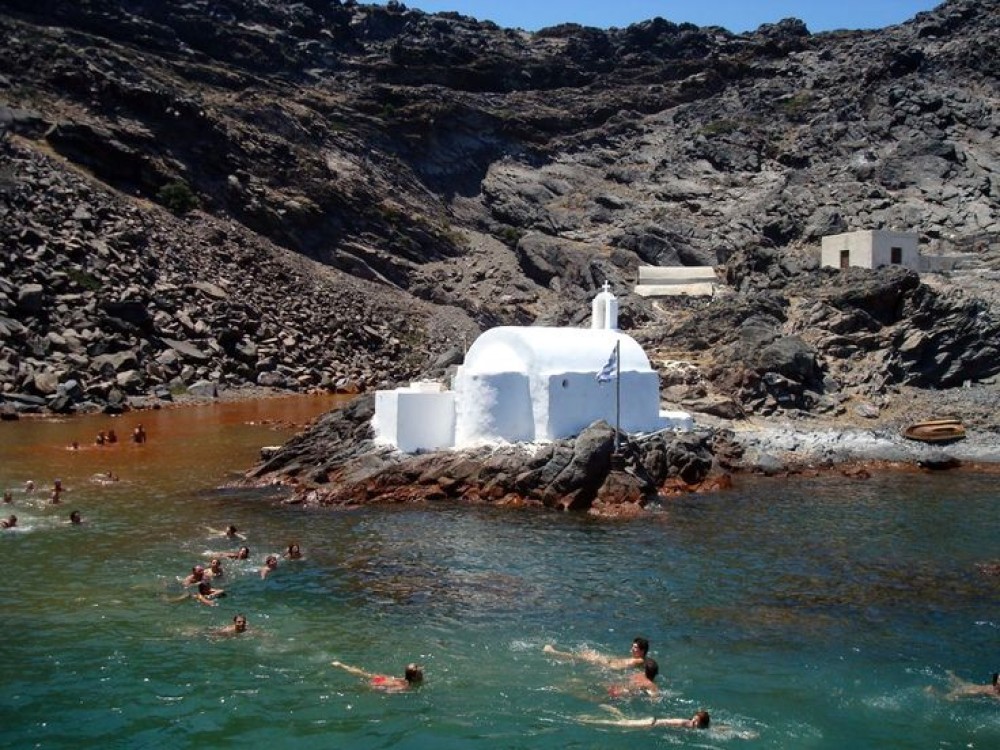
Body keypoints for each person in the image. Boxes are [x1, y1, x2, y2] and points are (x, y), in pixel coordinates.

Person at [544, 636, 650, 669]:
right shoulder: (639, 660)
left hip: (608, 665)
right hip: (609, 663)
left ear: (642, 650)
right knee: (582, 655)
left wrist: (605, 662)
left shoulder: (639, 660)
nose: (632, 648)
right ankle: (555, 653)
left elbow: (621, 666)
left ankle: (553, 652)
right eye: (632, 646)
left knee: (579, 657)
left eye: (635, 647)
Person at [330, 660, 423, 692]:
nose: (422, 675)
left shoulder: (403, 679)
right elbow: (390, 691)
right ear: (414, 678)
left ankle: (341, 665)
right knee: (360, 689)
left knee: (364, 674)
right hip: (379, 684)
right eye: (420, 674)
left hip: (382, 678)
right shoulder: (405, 687)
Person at [579, 709, 711, 729]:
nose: (694, 721)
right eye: (695, 719)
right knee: (619, 723)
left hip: (652, 721)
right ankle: (589, 721)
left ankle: (611, 708)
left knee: (624, 720)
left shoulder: (690, 723)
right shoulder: (689, 724)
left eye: (697, 720)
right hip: (651, 723)